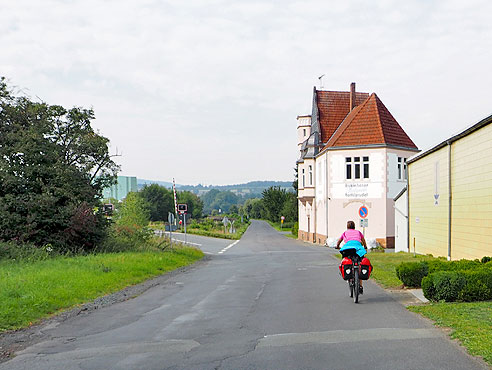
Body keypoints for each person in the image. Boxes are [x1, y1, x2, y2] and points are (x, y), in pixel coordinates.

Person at [336, 220, 367, 293]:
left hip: (348, 249)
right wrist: (365, 246)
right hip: (358, 249)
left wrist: (337, 246)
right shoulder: (358, 232)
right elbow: (363, 240)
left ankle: (345, 272)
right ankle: (360, 286)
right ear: (354, 226)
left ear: (347, 227)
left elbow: (339, 240)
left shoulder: (345, 232)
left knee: (345, 259)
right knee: (360, 265)